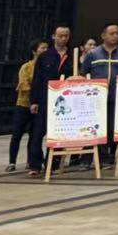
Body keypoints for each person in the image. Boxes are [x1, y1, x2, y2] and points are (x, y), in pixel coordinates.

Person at [80, 24, 118, 165]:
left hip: (116, 98)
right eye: (112, 33)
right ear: (103, 36)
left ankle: (105, 157)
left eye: (117, 33)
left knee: (111, 129)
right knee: (93, 127)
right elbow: (83, 73)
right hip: (96, 99)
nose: (115, 36)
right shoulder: (93, 53)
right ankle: (87, 158)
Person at [27, 25, 73, 177]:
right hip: (44, 99)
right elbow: (36, 79)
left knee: (58, 133)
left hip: (64, 102)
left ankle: (52, 164)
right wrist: (33, 101)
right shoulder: (44, 56)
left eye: (66, 36)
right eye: (60, 36)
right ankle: (35, 164)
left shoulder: (73, 56)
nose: (63, 39)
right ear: (53, 36)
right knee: (37, 133)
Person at [6, 40, 46, 173]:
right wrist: (36, 93)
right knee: (17, 134)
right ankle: (12, 161)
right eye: (42, 48)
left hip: (38, 106)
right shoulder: (26, 67)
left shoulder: (46, 66)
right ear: (34, 51)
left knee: (34, 135)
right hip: (23, 104)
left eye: (46, 48)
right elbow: (23, 84)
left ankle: (31, 161)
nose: (45, 50)